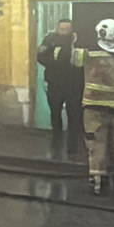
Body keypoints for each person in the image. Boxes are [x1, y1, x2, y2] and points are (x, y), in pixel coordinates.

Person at [71, 19, 114, 196]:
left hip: (93, 109)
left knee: (96, 145)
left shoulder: (88, 55)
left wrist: (75, 40)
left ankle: (98, 182)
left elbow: (71, 59)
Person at [36, 19, 84, 156]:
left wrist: (74, 46)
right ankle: (56, 139)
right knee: (55, 111)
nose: (63, 32)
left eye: (66, 29)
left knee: (74, 113)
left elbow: (84, 59)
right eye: (61, 29)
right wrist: (54, 64)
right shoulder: (50, 39)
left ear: (71, 29)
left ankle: (73, 143)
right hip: (55, 82)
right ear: (57, 28)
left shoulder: (77, 39)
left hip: (73, 83)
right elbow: (40, 56)